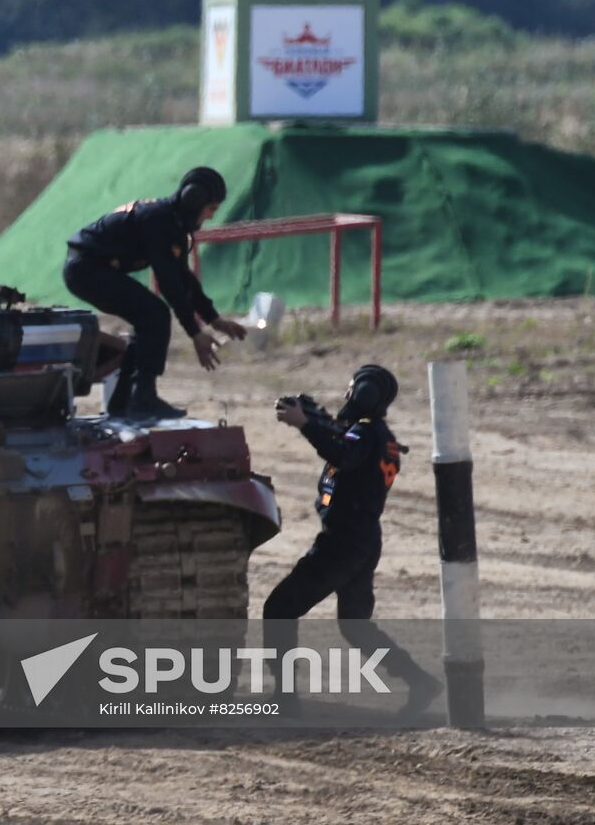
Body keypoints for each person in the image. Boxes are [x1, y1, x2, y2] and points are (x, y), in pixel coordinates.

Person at [265, 364, 442, 715]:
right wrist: (315, 421)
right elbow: (344, 445)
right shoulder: (378, 435)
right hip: (363, 539)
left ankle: (285, 700)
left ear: (364, 394)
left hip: (342, 542)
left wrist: (304, 425)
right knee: (355, 626)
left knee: (278, 610)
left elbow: (342, 454)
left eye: (352, 389)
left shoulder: (365, 434)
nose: (347, 395)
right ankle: (420, 681)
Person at [63, 167, 246, 420]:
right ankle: (142, 398)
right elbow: (169, 283)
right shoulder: (159, 221)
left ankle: (125, 401)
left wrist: (214, 319)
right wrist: (194, 332)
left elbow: (183, 278)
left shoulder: (171, 222)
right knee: (154, 314)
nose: (211, 216)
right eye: (211, 209)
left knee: (148, 316)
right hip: (85, 269)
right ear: (195, 201)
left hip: (89, 267)